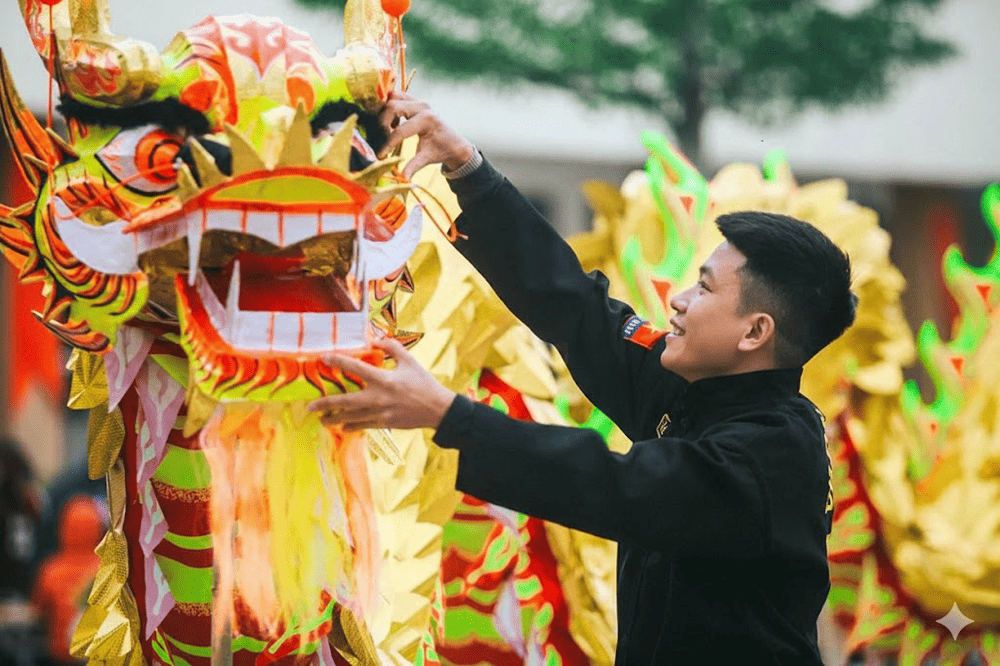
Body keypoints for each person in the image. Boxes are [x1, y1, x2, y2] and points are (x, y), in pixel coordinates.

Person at [308, 90, 857, 664]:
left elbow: (612, 485)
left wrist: (446, 416)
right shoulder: (701, 389)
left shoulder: (772, 454)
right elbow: (579, 311)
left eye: (704, 288)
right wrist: (467, 169)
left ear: (754, 332)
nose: (678, 299)